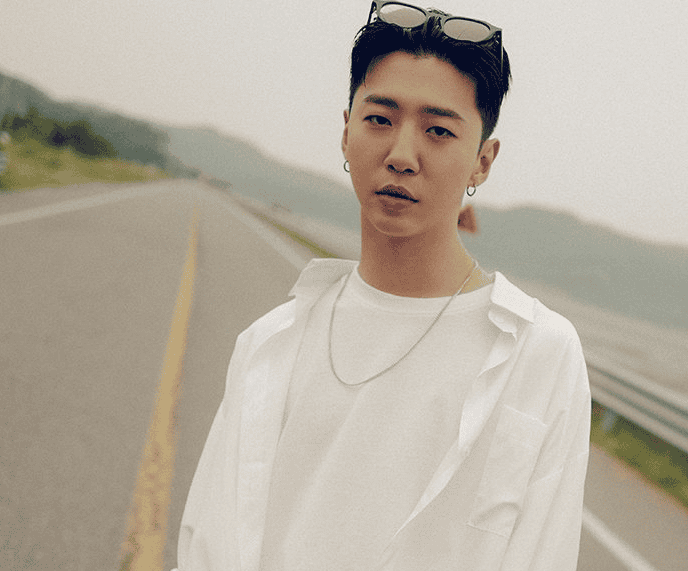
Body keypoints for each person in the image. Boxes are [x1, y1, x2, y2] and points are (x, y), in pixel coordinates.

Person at [173, 2, 591, 570]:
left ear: (483, 161)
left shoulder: (537, 354)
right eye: (379, 120)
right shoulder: (271, 343)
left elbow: (544, 553)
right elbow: (207, 545)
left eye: (438, 130)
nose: (401, 155)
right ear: (346, 133)